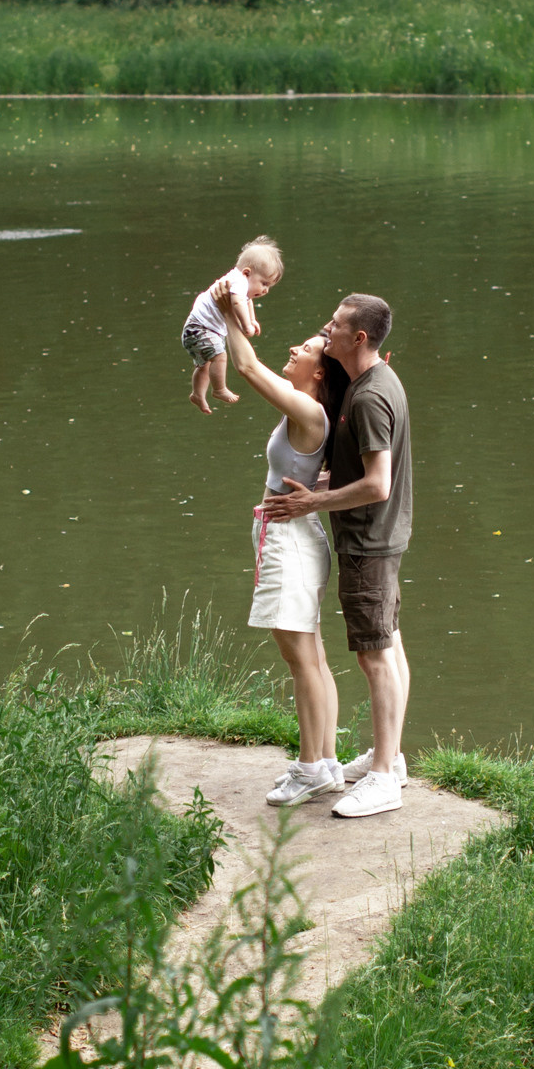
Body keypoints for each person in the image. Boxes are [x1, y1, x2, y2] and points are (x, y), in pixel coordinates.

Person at [262, 293, 411, 820]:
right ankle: (390, 757)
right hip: (378, 535)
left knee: (374, 655)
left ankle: (384, 778)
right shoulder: (372, 383)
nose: (327, 330)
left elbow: (378, 484)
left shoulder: (368, 398)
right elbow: (358, 473)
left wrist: (311, 502)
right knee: (388, 645)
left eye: (336, 325)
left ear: (359, 338)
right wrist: (317, 487)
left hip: (369, 539)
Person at [222, 317, 350, 806]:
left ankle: (310, 768)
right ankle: (327, 763)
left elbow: (247, 366)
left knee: (302, 661)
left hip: (289, 543)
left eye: (307, 349)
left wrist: (227, 310)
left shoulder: (308, 410)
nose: (295, 349)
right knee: (312, 657)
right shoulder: (307, 407)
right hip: (293, 536)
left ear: (319, 373)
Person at [181, 235, 284, 414]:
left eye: (269, 286)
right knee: (220, 357)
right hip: (200, 328)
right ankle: (219, 389)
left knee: (204, 365)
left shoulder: (241, 283)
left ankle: (197, 394)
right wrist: (246, 325)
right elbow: (237, 303)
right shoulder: (238, 282)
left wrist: (252, 320)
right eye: (264, 283)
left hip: (198, 329)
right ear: (247, 273)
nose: (266, 290)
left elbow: (247, 302)